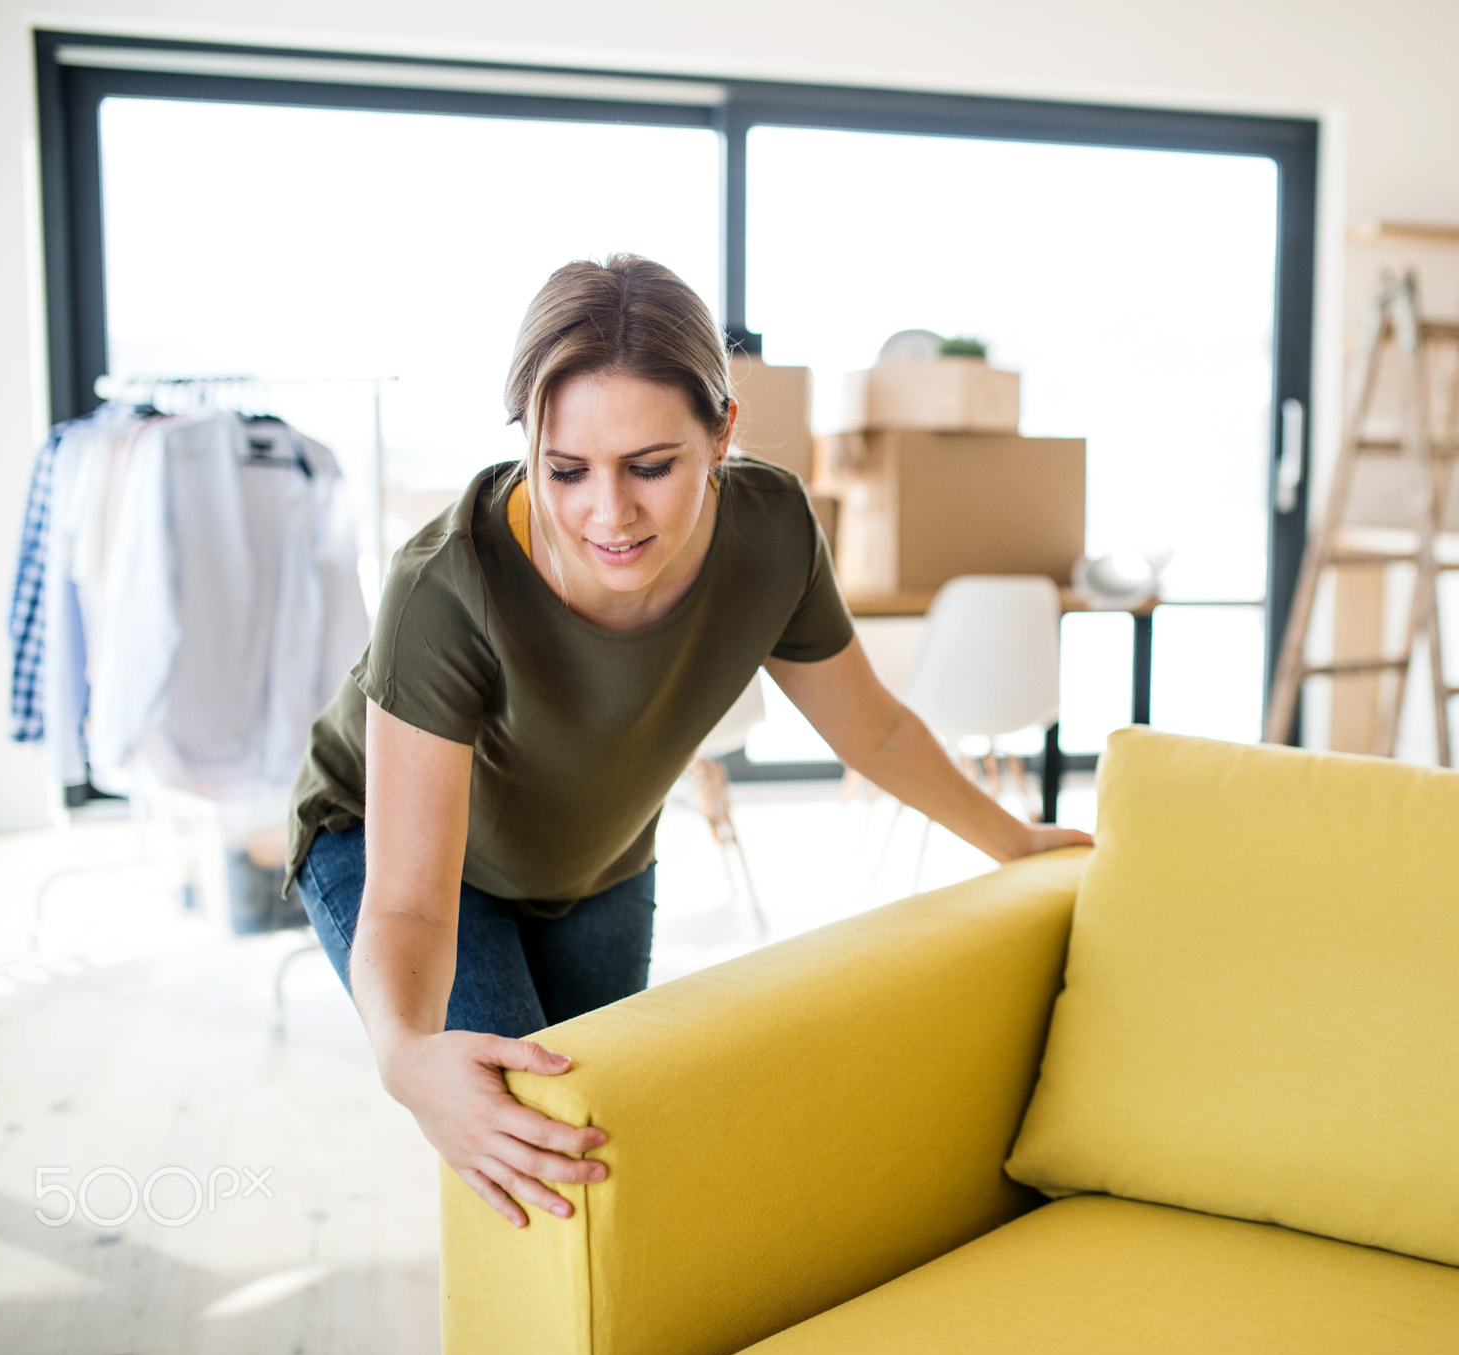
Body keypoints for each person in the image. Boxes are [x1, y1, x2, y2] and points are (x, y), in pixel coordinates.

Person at [286, 255, 1091, 1229]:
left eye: (651, 467)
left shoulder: (771, 532)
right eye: (565, 469)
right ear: (528, 444)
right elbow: (412, 905)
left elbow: (872, 730)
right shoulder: (446, 591)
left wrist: (1014, 840)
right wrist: (406, 1058)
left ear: (721, 434)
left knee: (608, 1146)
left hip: (596, 854)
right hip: (396, 851)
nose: (607, 513)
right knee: (534, 1151)